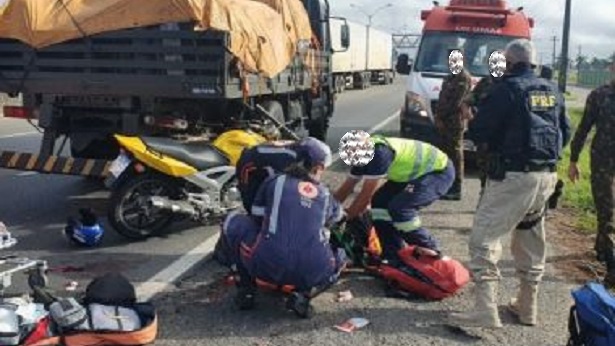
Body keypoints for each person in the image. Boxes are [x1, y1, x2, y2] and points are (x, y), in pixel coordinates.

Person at [448, 39, 571, 328]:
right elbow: (564, 132)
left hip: (513, 177)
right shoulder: (553, 90)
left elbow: (479, 130)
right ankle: (527, 308)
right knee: (530, 240)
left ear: (510, 62)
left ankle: (485, 311)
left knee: (484, 240)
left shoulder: (507, 89)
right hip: (546, 178)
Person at [220, 137, 346, 318]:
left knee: (232, 220)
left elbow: (256, 215)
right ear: (317, 168)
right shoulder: (325, 193)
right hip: (312, 270)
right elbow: (337, 218)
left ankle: (246, 289)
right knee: (340, 258)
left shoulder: (274, 182)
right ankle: (303, 295)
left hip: (265, 265)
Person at [334, 135, 454, 269]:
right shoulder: (361, 155)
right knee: (380, 203)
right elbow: (347, 187)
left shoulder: (379, 154)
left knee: (401, 209)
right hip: (413, 174)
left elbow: (366, 195)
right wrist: (327, 209)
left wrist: (344, 217)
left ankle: (431, 249)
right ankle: (392, 255)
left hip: (437, 172)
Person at [568, 77, 615, 286]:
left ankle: (604, 249)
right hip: (603, 162)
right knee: (606, 210)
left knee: (608, 213)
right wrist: (573, 159)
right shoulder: (599, 95)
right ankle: (610, 263)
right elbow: (584, 127)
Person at [435, 68, 473, 200]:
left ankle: (456, 187)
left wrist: (442, 115)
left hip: (454, 122)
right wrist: (438, 116)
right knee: (444, 154)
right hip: (444, 122)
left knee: (455, 154)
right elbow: (441, 98)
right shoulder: (448, 78)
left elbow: (456, 102)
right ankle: (445, 185)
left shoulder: (463, 78)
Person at [464, 74, 501, 195]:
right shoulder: (486, 82)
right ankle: (485, 191)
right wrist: (470, 117)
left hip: (503, 135)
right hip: (485, 134)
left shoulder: (512, 83)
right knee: (484, 165)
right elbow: (469, 100)